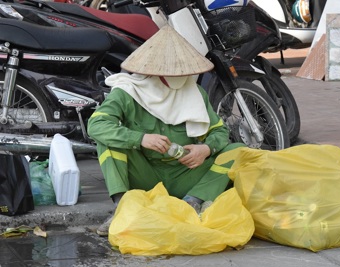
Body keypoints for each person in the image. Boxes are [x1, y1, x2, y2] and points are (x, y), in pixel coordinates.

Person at [87, 25, 244, 236]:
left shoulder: (195, 93)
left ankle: (193, 202)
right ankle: (122, 208)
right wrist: (140, 139)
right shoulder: (127, 92)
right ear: (153, 72)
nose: (178, 77)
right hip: (145, 176)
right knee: (108, 142)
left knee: (238, 150)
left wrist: (205, 149)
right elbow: (96, 126)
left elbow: (220, 133)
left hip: (185, 175)